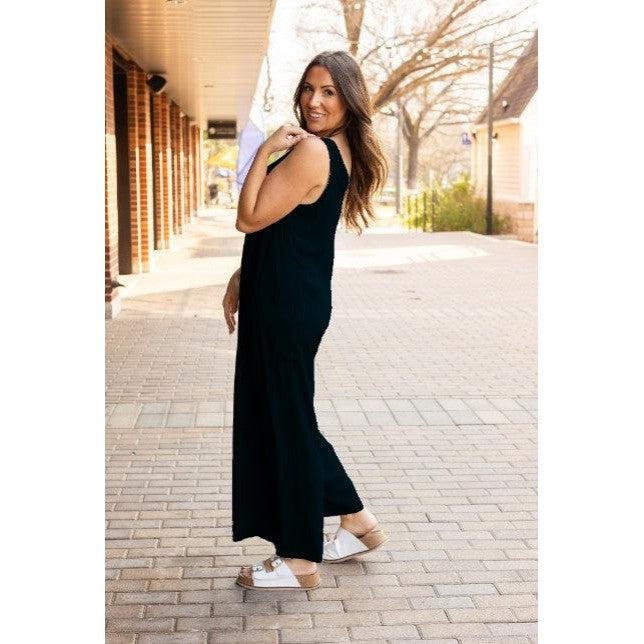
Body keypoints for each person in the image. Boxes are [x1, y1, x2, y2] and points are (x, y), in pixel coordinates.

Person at [222, 50, 389, 591]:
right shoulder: (335, 148)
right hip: (289, 298)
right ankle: (356, 520)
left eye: (329, 92)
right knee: (288, 416)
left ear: (349, 100)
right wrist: (243, 276)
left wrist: (265, 149)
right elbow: (290, 229)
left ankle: (299, 559)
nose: (314, 101)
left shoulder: (313, 150)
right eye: (309, 88)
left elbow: (250, 217)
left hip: (285, 307)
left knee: (286, 423)